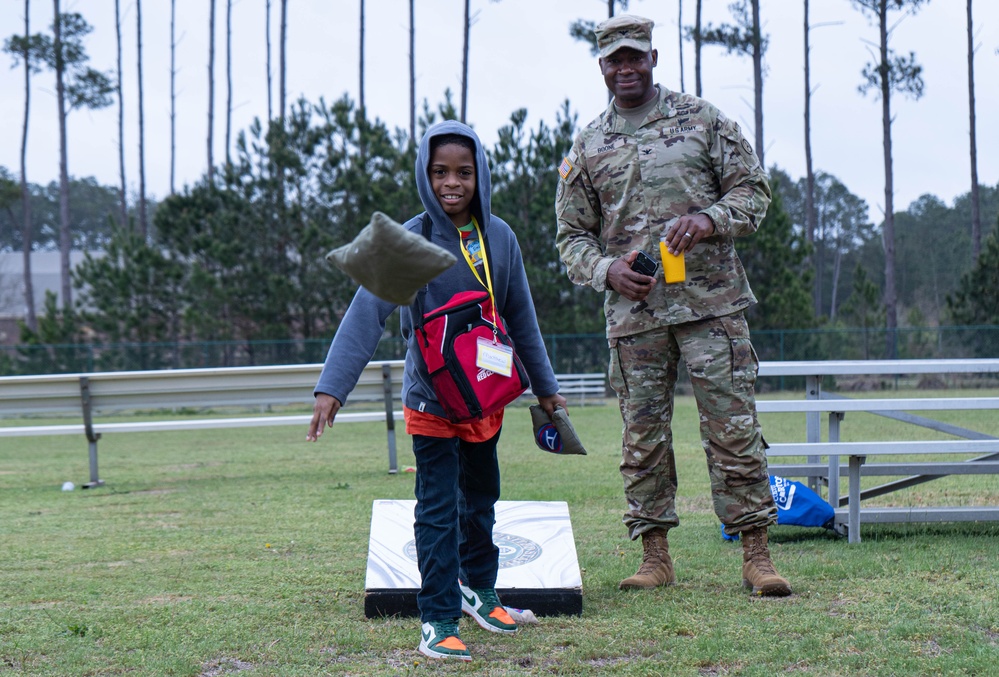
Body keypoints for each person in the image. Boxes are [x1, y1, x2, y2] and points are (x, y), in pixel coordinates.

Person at [308, 119, 568, 661]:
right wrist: (333, 387)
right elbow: (366, 311)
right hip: (431, 400)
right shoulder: (409, 239)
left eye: (464, 172)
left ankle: (480, 589)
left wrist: (547, 390)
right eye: (440, 172)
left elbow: (521, 316)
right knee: (437, 509)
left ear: (481, 176)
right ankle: (439, 617)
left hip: (486, 399)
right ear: (426, 175)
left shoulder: (500, 236)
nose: (453, 183)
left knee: (481, 502)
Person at [554, 14, 791, 597]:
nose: (626, 68)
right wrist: (606, 270)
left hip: (712, 306)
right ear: (602, 68)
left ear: (654, 59)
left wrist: (709, 218)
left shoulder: (701, 120)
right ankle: (655, 557)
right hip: (635, 319)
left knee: (733, 430)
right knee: (643, 438)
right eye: (615, 60)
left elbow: (753, 191)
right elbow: (570, 238)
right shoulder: (588, 146)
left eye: (636, 56)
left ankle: (756, 557)